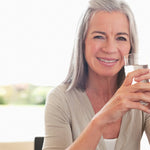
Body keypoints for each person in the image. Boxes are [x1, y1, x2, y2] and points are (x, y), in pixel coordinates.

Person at [42, 0, 150, 149]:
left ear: (130, 45)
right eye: (99, 36)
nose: (110, 48)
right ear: (83, 42)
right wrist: (101, 120)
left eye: (121, 38)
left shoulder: (140, 95)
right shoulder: (60, 99)